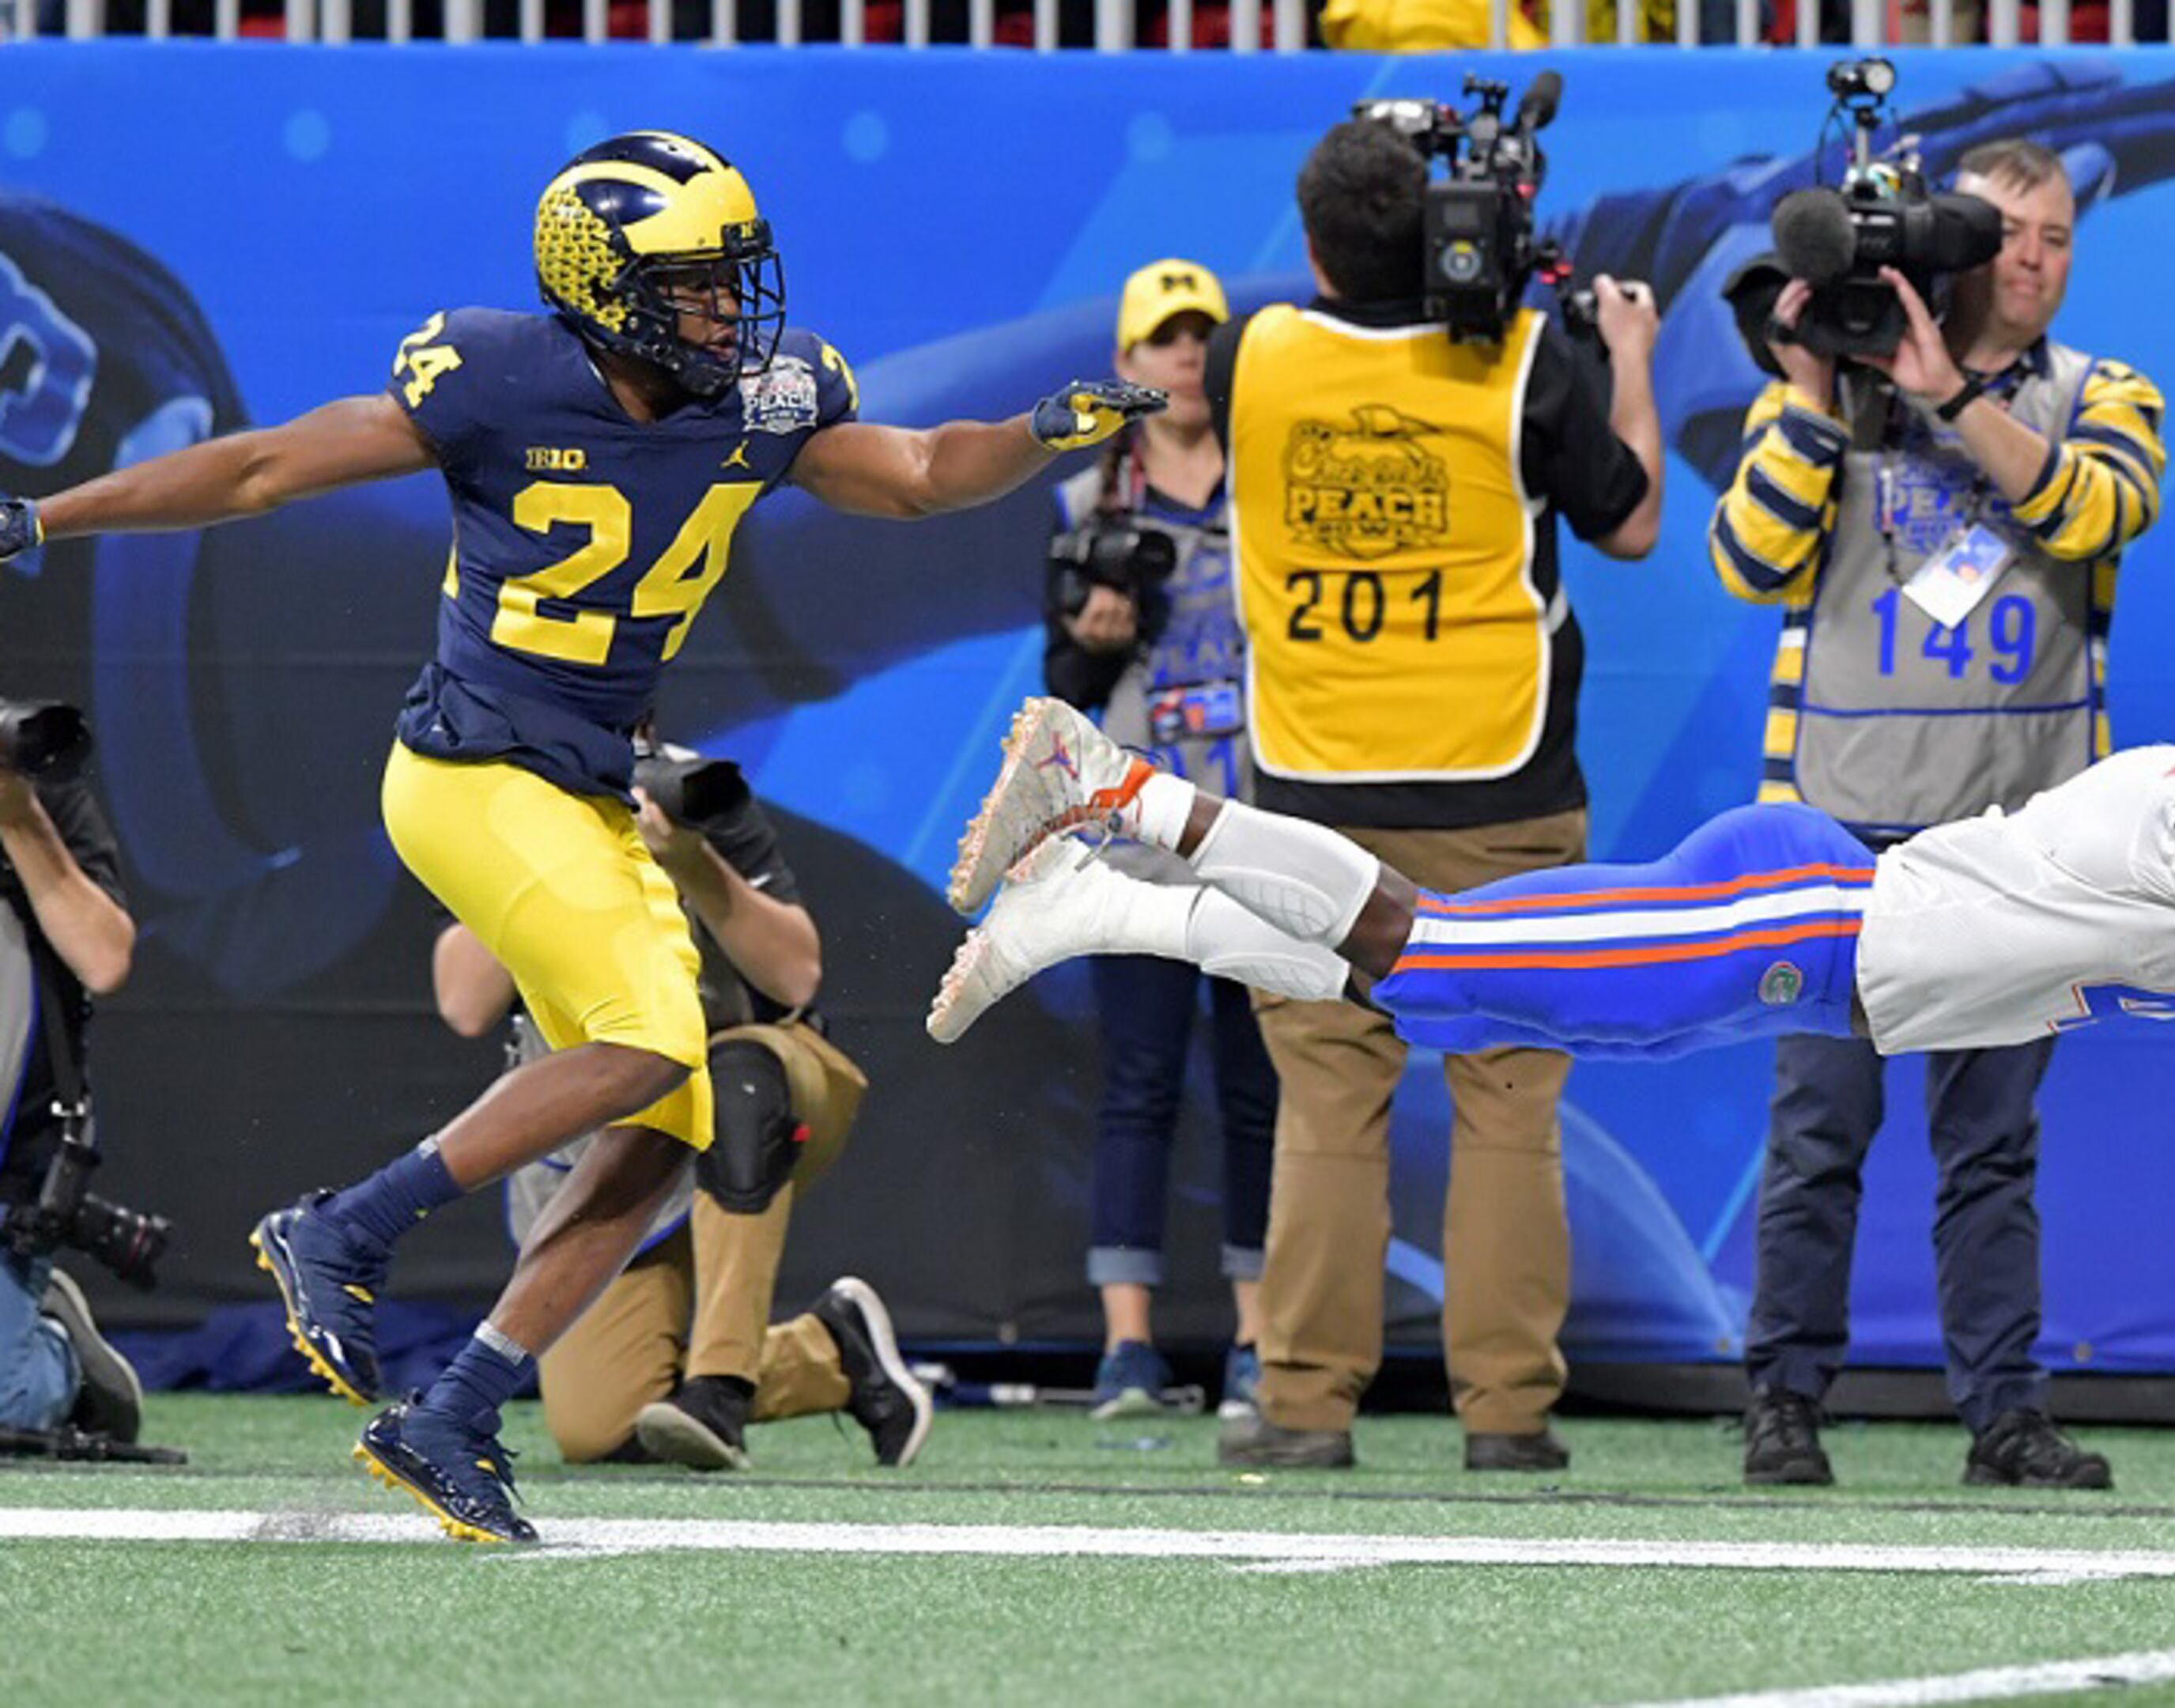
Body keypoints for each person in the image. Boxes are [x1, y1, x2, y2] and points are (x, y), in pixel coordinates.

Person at [0, 130, 1157, 1543]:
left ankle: (459, 1407)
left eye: (735, 276)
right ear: (602, 288)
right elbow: (258, 475)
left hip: (589, 784)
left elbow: (919, 467)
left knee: (668, 1120)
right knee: (655, 1043)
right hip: (470, 775)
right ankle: (342, 1226)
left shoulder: (763, 396)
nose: (733, 307)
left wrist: (1039, 434)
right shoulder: (499, 376)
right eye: (697, 283)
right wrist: (49, 517)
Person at [930, 649, 2175, 1392]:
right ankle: (1118, 793)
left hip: (1800, 949)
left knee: (1452, 983)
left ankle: (1109, 905)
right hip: (1806, 920)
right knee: (1421, 946)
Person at [949, 118, 1663, 1475]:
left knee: (1329, 1096)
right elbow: (1627, 524)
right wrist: (1620, 350)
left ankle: (1305, 1405)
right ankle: (1508, 1414)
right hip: (1502, 780)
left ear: (1315, 242)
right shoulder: (1521, 358)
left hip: (1317, 792)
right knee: (1510, 1090)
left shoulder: (1250, 356)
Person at [1709, 138, 2166, 1493]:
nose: (2034, 257)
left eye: (2060, 236)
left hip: (2018, 849)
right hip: (1835, 839)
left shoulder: (2103, 391)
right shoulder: (1825, 394)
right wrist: (1806, 396)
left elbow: (2098, 512)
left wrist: (1953, 395)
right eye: (2009, 231)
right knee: (1816, 1140)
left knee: (1992, 1151)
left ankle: (2004, 1417)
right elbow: (1744, 561)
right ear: (1952, 242)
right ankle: (1783, 1400)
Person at [432, 730, 928, 1470]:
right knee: (600, 1428)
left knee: (739, 1081)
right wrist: (560, 848)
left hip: (746, 1094)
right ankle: (832, 1351)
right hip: (604, 1152)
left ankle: (722, 1389)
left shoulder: (694, 794)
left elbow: (796, 977)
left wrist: (693, 861)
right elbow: (465, 1003)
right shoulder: (522, 811)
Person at [1040, 259, 1274, 1421]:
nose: (1186, 358)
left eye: (1202, 338)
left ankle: (1259, 1344)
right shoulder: (1088, 506)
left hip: (1265, 833)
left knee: (1258, 1090)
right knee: (1136, 1087)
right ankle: (1125, 1349)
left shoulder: (1277, 488)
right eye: (1163, 340)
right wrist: (1094, 635)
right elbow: (1062, 691)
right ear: (1125, 366)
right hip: (1138, 842)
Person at [0, 734, 144, 1445]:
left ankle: (51, 1348)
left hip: (9, 1175)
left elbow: (105, 959)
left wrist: (18, 820)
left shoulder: (38, 798)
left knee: (8, 1406)